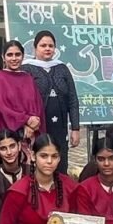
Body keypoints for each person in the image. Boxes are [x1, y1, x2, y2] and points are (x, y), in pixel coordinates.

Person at [22, 31, 81, 173]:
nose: (47, 49)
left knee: (60, 163)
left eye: (51, 46)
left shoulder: (62, 68)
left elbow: (72, 99)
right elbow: (21, 100)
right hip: (37, 127)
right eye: (43, 45)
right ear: (35, 48)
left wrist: (75, 128)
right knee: (40, 162)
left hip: (60, 127)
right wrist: (26, 123)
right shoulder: (26, 69)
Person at [0, 40, 45, 143]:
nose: (14, 58)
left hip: (31, 134)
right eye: (10, 55)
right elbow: (1, 107)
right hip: (8, 135)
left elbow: (38, 105)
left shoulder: (28, 78)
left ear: (23, 56)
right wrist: (25, 121)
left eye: (17, 54)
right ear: (3, 57)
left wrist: (32, 125)